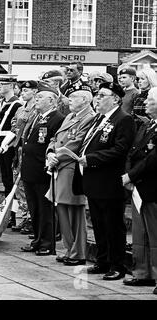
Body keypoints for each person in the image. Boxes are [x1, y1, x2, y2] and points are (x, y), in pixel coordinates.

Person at [76, 82, 136, 280]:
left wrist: (92, 159)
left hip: (109, 180)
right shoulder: (99, 119)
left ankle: (117, 265)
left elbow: (120, 150)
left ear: (116, 99)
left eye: (102, 95)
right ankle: (102, 261)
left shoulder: (123, 119)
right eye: (97, 95)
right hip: (93, 179)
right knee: (99, 224)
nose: (98, 98)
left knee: (112, 225)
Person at [46, 84, 96, 266]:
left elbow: (77, 142)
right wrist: (50, 152)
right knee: (61, 208)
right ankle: (69, 249)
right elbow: (54, 138)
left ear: (84, 100)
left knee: (74, 210)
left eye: (74, 97)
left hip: (71, 167)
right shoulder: (69, 116)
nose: (69, 100)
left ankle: (78, 252)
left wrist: (56, 157)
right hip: (58, 166)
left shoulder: (89, 118)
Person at [20, 82, 65, 256]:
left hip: (43, 170)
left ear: (52, 101)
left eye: (40, 97)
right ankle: (37, 240)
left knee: (45, 209)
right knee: (34, 209)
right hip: (30, 169)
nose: (36, 100)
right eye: (36, 97)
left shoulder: (57, 118)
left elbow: (54, 143)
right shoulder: (36, 116)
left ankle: (47, 243)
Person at [121, 87, 157, 291]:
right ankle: (142, 272)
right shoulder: (147, 126)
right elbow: (133, 151)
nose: (146, 103)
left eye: (151, 100)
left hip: (151, 186)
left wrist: (131, 175)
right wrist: (128, 175)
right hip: (138, 185)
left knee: (154, 233)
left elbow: (153, 159)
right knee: (140, 232)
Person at [0, 74, 23, 226]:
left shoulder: (16, 104)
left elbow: (15, 127)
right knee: (5, 180)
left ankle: (13, 214)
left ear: (11, 86)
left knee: (11, 182)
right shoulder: (2, 103)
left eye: (3, 84)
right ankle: (7, 212)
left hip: (10, 143)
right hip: (1, 141)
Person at [10, 80, 38, 234]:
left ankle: (30, 218)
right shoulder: (21, 108)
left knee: (25, 183)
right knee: (18, 184)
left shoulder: (36, 108)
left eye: (27, 91)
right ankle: (24, 215)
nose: (23, 93)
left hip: (27, 148)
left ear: (34, 91)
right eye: (22, 91)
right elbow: (14, 122)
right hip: (17, 146)